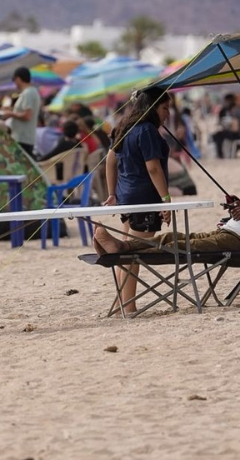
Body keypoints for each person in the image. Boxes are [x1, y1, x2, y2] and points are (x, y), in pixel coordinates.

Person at [94, 148, 240, 254]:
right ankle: (123, 246)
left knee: (180, 247)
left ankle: (122, 251)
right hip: (230, 233)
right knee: (171, 237)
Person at [103, 89, 172, 315]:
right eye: (164, 108)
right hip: (145, 198)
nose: (168, 114)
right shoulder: (147, 130)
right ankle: (128, 306)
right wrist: (166, 200)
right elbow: (153, 168)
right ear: (153, 108)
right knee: (133, 255)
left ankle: (120, 304)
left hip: (126, 197)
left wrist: (112, 192)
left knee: (126, 251)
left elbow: (110, 160)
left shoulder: (124, 127)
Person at [0, 67, 41, 158]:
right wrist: (11, 110)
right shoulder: (30, 92)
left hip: (23, 138)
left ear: (18, 78)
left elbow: (27, 115)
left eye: (14, 80)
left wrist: (10, 114)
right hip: (24, 137)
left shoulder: (28, 93)